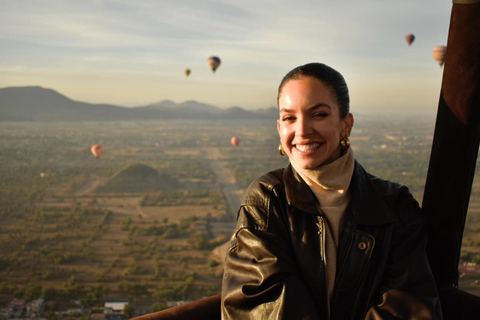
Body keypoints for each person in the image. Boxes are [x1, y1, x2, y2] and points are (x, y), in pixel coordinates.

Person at [221, 63, 443, 319]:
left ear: (346, 124)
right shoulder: (267, 202)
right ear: (279, 128)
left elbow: (410, 308)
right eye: (289, 118)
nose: (302, 130)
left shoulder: (396, 208)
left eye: (319, 114)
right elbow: (259, 306)